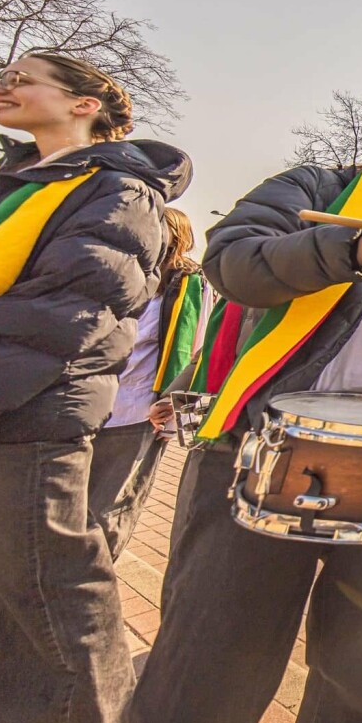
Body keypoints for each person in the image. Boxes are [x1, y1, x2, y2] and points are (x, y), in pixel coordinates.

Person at [91, 109, 362, 723]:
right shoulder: (319, 190)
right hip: (264, 452)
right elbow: (232, 261)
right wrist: (356, 252)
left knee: (354, 689)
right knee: (208, 670)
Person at [0, 53, 190, 723]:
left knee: (48, 614)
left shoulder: (118, 192)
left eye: (22, 78)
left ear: (86, 104)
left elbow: (55, 320)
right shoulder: (4, 185)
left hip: (27, 427)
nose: (2, 87)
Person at [87, 206, 212, 560]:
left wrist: (176, 412)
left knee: (110, 509)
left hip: (140, 413)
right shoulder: (123, 275)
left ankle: (96, 577)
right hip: (91, 405)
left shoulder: (190, 285)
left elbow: (197, 348)